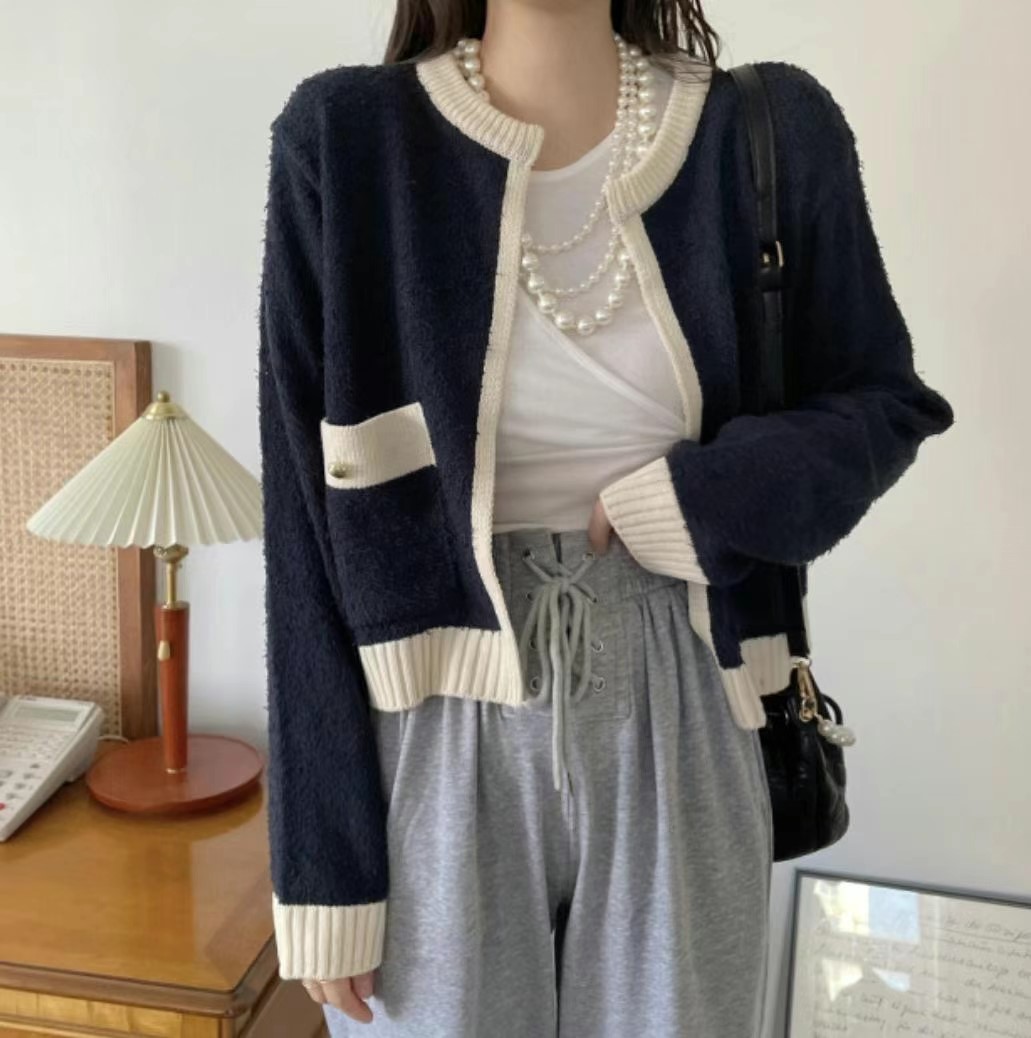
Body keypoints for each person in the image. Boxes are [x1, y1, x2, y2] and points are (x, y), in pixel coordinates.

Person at [256, 1, 955, 1035]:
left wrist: (699, 502)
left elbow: (883, 402)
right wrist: (322, 867)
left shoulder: (767, 129)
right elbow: (301, 523)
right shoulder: (347, 140)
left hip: (686, 681)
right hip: (429, 724)